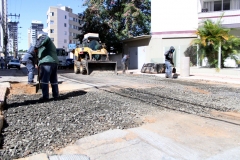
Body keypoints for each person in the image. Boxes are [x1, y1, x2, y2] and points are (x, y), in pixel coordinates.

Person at [34, 32, 59, 100]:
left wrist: (36, 46)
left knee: (44, 80)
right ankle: (56, 95)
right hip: (53, 63)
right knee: (54, 80)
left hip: (47, 63)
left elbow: (44, 38)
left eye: (38, 39)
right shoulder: (47, 45)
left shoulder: (45, 38)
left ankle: (45, 96)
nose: (38, 41)